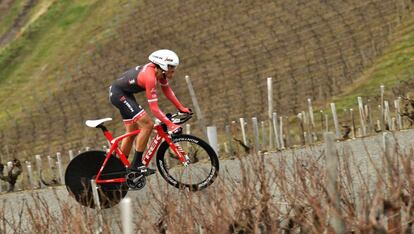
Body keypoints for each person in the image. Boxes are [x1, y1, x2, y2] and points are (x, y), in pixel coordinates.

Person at [109, 49, 192, 175]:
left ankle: (119, 168)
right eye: (172, 67)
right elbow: (154, 109)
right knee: (147, 125)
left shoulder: (160, 73)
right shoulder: (150, 77)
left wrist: (181, 108)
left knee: (131, 133)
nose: (174, 70)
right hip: (119, 94)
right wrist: (171, 125)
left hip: (124, 93)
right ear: (163, 66)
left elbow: (167, 91)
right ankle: (136, 164)